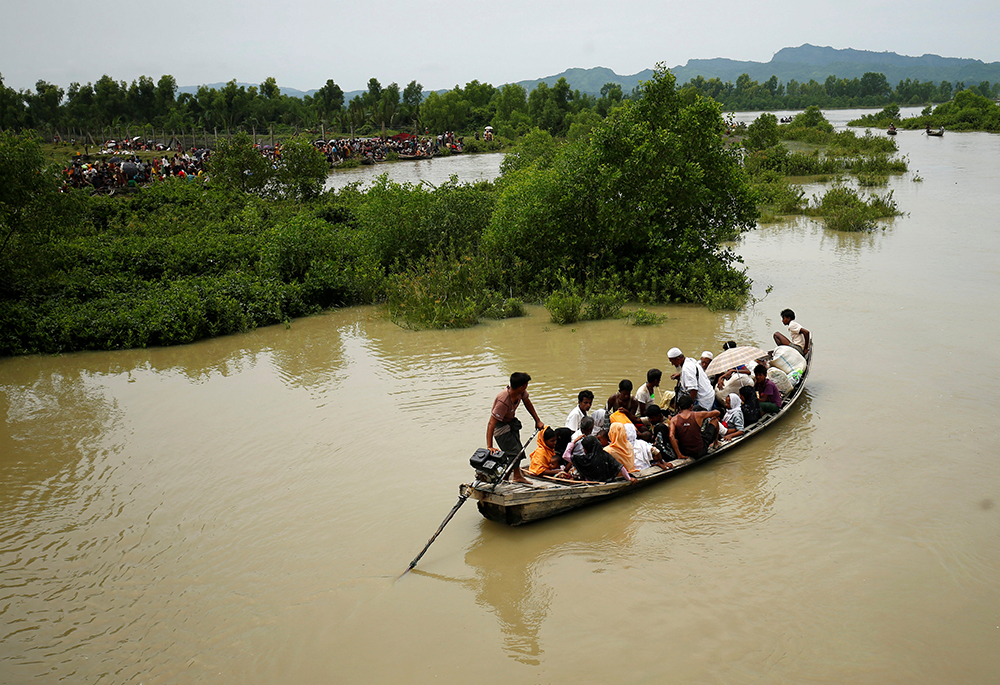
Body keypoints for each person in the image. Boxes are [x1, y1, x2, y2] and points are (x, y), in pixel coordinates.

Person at [486, 372, 545, 483]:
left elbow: (528, 403)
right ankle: (509, 477)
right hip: (500, 428)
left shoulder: (520, 393)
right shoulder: (503, 400)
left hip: (511, 423)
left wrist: (537, 420)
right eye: (526, 384)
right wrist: (490, 446)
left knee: (518, 450)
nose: (527, 386)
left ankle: (513, 476)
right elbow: (491, 423)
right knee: (514, 452)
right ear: (522, 386)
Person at [668, 394, 721, 459]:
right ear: (691, 406)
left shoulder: (674, 419)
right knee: (714, 420)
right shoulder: (698, 415)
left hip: (685, 452)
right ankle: (716, 442)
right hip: (700, 451)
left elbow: (671, 436)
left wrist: (679, 454)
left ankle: (679, 454)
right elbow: (717, 413)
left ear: (679, 408)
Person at [668, 347, 715, 412]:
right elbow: (693, 372)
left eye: (672, 362)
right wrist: (680, 375)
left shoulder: (687, 369)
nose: (672, 364)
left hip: (703, 398)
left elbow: (694, 390)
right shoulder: (690, 360)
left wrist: (687, 409)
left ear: (678, 359)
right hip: (708, 392)